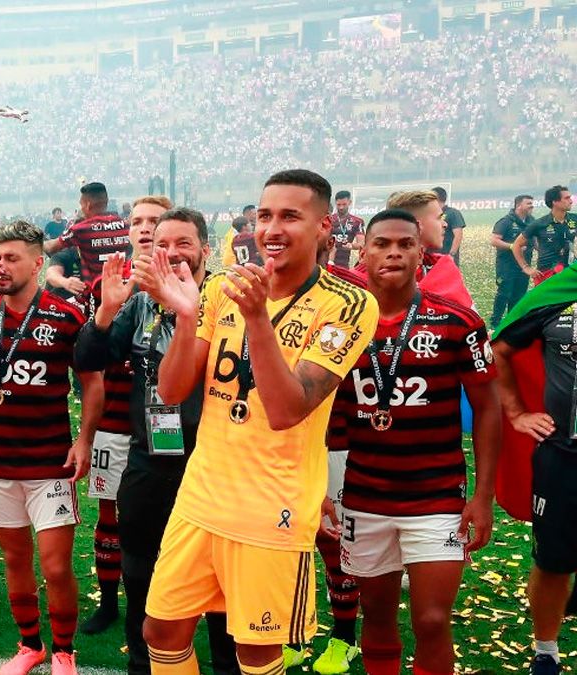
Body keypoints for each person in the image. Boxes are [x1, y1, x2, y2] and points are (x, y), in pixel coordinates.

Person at [142, 169, 378, 675]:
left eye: (291, 216)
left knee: (256, 653)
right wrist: (185, 317)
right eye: (266, 214)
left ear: (324, 227)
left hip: (272, 511)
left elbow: (288, 410)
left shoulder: (350, 304)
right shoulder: (223, 290)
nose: (272, 227)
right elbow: (172, 389)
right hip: (201, 497)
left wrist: (257, 320)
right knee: (160, 629)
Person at [331, 209, 499, 675]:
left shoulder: (457, 322)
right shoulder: (340, 327)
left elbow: (488, 407)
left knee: (430, 619)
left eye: (405, 244)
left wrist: (482, 498)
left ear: (420, 253)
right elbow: (329, 414)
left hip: (437, 497)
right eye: (382, 243)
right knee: (379, 616)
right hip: (364, 498)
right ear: (363, 253)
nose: (393, 252)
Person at [0, 220, 103, 675]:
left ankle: (64, 651)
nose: (1, 266)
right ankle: (31, 646)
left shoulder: (65, 315)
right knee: (14, 559)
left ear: (37, 262)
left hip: (49, 462)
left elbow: (91, 381)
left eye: (11, 258)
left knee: (56, 566)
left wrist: (84, 439)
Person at [76, 205, 241, 675]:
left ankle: (228, 667)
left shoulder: (227, 299)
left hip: (214, 465)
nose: (171, 253)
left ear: (206, 250)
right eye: (160, 244)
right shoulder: (141, 301)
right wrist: (106, 313)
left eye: (183, 244)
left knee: (221, 588)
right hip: (151, 460)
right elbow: (90, 358)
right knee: (142, 575)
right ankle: (143, 667)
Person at [78, 196, 172, 637]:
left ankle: (164, 599)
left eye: (155, 220)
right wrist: (87, 432)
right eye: (137, 221)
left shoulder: (186, 285)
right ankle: (111, 602)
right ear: (128, 231)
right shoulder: (110, 282)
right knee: (111, 516)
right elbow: (90, 366)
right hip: (117, 420)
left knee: (171, 519)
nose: (145, 228)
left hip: (172, 425)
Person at [491, 266, 577, 675]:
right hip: (564, 454)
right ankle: (546, 651)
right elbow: (500, 348)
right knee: (553, 561)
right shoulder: (559, 289)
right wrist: (516, 412)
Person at [43, 181, 130, 285]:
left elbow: (50, 248)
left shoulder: (81, 229)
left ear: (87, 205)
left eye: (81, 204)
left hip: (96, 292)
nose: (81, 208)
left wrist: (35, 239)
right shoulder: (125, 225)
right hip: (124, 288)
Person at [513, 185, 575, 285]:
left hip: (570, 271)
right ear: (555, 202)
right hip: (547, 273)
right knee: (552, 301)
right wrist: (526, 268)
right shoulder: (539, 224)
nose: (571, 201)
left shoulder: (574, 219)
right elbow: (517, 245)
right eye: (567, 198)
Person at [490, 195, 535, 327]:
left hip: (524, 265)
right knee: (504, 293)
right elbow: (494, 240)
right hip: (506, 265)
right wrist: (513, 247)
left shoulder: (532, 221)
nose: (532, 206)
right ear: (519, 205)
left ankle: (512, 321)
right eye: (529, 203)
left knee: (519, 294)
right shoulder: (506, 221)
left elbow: (536, 240)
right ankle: (495, 323)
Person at [328, 190, 364, 269]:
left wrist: (352, 245)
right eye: (338, 205)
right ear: (335, 203)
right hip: (327, 261)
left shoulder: (357, 221)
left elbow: (361, 244)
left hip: (344, 264)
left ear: (350, 202)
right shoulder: (329, 219)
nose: (341, 207)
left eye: (344, 204)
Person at [431, 187, 465, 265]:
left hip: (447, 257)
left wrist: (451, 254)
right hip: (432, 258)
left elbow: (458, 235)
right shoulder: (431, 214)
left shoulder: (453, 213)